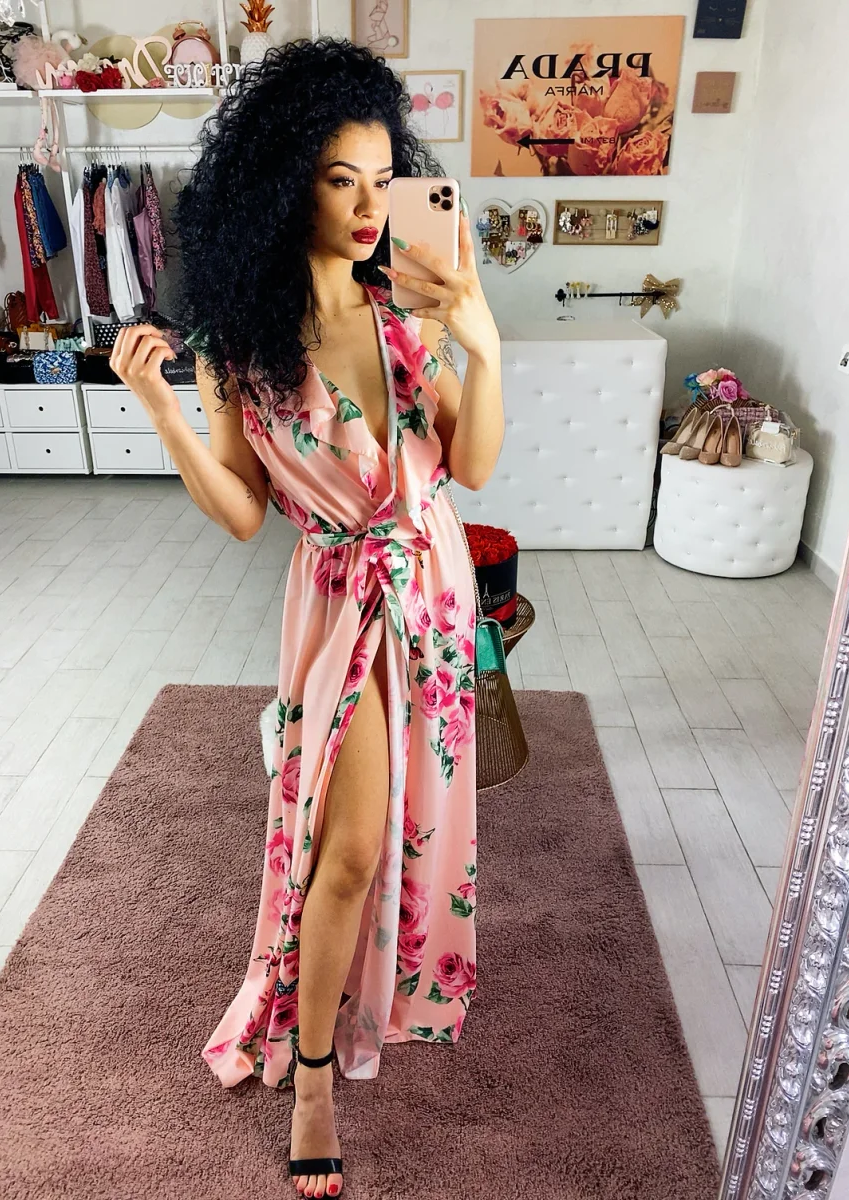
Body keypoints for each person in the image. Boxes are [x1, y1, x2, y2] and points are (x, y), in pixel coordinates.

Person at [110, 36, 504, 1200]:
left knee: (412, 825)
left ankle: (371, 1008)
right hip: (337, 599)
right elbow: (243, 511)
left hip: (429, 583)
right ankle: (316, 1080)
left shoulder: (409, 307)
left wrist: (482, 343)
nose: (373, 206)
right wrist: (165, 414)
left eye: (385, 178)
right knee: (350, 850)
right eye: (342, 180)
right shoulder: (244, 346)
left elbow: (473, 465)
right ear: (289, 184)